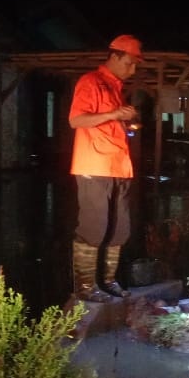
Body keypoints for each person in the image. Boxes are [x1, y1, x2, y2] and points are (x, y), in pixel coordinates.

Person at [68, 34, 144, 302]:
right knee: (94, 227)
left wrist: (126, 123)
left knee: (119, 228)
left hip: (118, 167)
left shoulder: (115, 87)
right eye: (130, 63)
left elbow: (108, 123)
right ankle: (85, 287)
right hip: (95, 165)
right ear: (114, 56)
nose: (132, 70)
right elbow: (77, 120)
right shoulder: (91, 82)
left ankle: (108, 282)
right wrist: (114, 115)